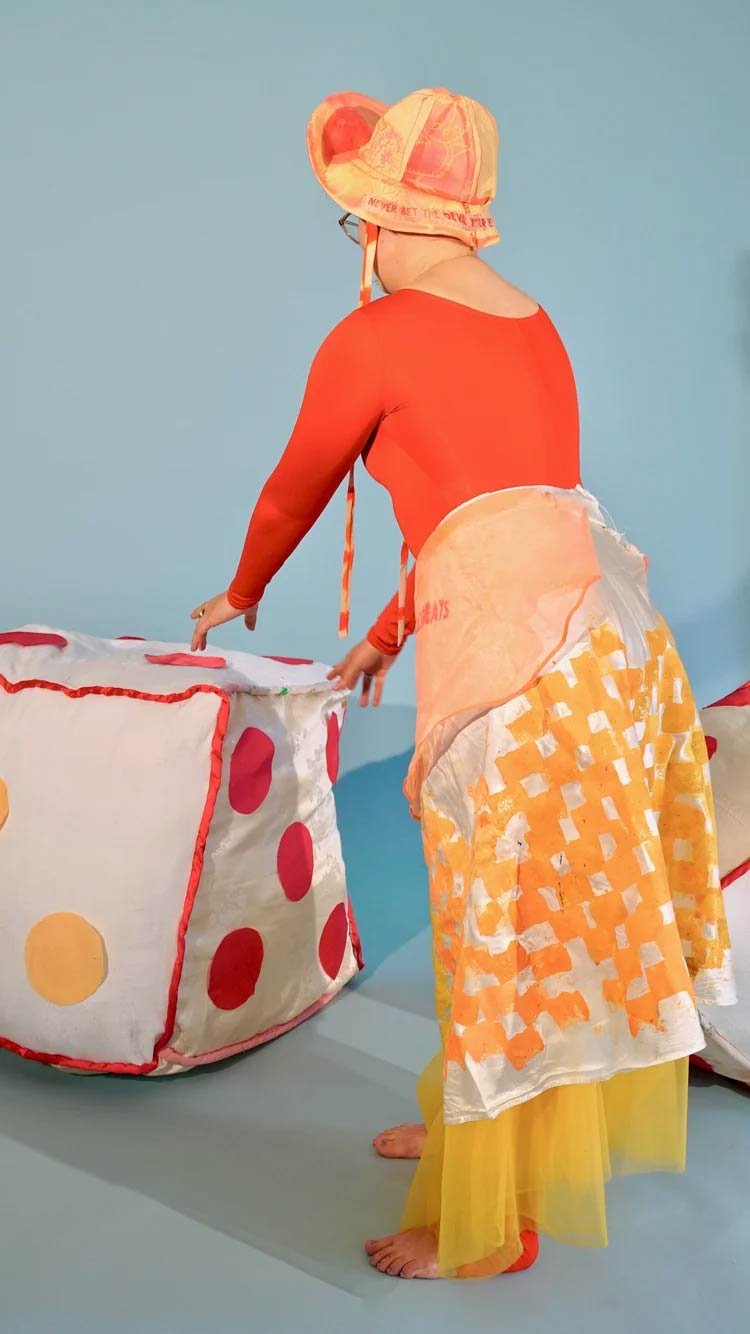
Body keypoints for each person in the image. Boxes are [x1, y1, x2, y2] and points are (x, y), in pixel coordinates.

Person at [189, 88, 736, 1280]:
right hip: (607, 648)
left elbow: (296, 487)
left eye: (356, 227)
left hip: (516, 679)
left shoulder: (375, 334)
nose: (360, 248)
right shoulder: (534, 319)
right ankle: (468, 1123)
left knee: (499, 931)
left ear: (381, 221)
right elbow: (502, 509)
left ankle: (490, 1223)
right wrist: (389, 631)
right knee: (541, 924)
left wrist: (241, 587)